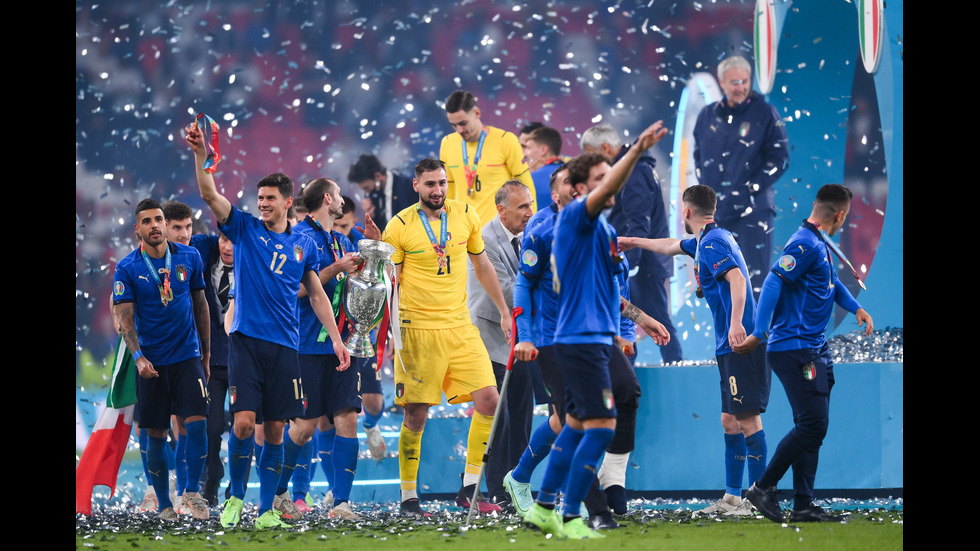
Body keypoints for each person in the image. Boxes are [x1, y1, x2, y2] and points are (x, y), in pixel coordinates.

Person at [185, 123, 351, 530]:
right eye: (259, 198)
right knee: (243, 423)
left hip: (285, 347)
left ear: (288, 201)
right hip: (246, 343)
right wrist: (200, 156)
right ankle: (235, 499)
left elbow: (315, 293)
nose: (262, 204)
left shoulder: (304, 245)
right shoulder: (243, 228)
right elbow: (209, 194)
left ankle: (267, 511)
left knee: (276, 430)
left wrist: (335, 340)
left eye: (270, 199)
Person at [523, 122, 670, 540]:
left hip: (596, 338)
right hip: (574, 340)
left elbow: (607, 288)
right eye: (601, 179)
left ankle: (547, 508)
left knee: (575, 424)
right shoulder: (576, 218)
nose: (610, 186)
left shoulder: (603, 230)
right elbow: (528, 283)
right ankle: (567, 511)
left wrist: (634, 322)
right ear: (581, 187)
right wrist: (637, 149)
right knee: (599, 426)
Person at [619, 184, 770, 517]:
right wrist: (633, 242)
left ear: (686, 212)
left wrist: (734, 323)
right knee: (730, 421)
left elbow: (737, 280)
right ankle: (733, 499)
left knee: (748, 420)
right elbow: (672, 245)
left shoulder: (713, 242)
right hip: (727, 345)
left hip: (739, 344)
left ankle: (760, 500)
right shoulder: (708, 238)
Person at [382, 157, 512, 517]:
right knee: (416, 415)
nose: (437, 191)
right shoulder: (399, 226)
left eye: (442, 183)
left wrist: (503, 310)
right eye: (430, 184)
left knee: (489, 400)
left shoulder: (467, 214)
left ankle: (469, 489)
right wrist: (391, 335)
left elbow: (482, 265)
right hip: (418, 330)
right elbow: (390, 284)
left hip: (460, 326)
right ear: (416, 186)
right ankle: (409, 498)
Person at [737, 184, 873, 523]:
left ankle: (803, 505)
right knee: (813, 425)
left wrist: (855, 308)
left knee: (811, 426)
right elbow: (773, 280)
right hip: (795, 349)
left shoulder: (819, 242)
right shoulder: (805, 242)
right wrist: (758, 331)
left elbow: (830, 283)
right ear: (840, 215)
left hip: (814, 347)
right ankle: (763, 488)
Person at [275, 177, 380, 521]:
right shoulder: (300, 239)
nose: (341, 202)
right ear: (325, 199)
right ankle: (277, 492)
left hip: (344, 344)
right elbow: (295, 292)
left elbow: (353, 284)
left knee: (347, 418)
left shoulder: (340, 238)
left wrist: (373, 254)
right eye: (336, 196)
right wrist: (336, 267)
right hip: (307, 346)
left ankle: (341, 504)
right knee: (304, 428)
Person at [112, 198, 211, 521]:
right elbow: (126, 320)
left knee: (198, 423)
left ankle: (192, 493)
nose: (155, 225)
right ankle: (165, 505)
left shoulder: (190, 256)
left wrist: (205, 354)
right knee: (154, 433)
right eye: (147, 221)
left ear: (165, 224)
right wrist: (138, 357)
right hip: (151, 364)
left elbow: (201, 305)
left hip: (187, 357)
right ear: (137, 229)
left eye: (158, 219)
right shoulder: (128, 267)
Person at [580, 123, 682, 364]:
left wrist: (629, 264)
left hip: (642, 263)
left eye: (590, 156)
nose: (588, 163)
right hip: (639, 260)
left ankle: (675, 368)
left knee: (655, 319)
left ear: (605, 148)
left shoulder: (636, 173)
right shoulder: (633, 170)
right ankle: (632, 371)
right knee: (633, 318)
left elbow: (638, 223)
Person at [465, 180, 536, 511]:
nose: (529, 213)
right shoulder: (485, 239)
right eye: (522, 207)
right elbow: (508, 292)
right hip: (489, 337)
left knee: (522, 413)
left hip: (521, 338)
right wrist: (549, 288)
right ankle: (492, 490)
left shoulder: (528, 235)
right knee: (499, 416)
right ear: (501, 210)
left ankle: (517, 483)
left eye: (530, 205)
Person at [693, 55, 790, 295]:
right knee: (719, 284)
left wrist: (751, 189)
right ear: (721, 82)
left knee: (753, 284)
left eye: (745, 81)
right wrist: (705, 194)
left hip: (752, 213)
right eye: (735, 82)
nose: (741, 87)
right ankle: (728, 333)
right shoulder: (706, 115)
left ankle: (758, 333)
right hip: (715, 216)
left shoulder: (766, 113)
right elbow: (698, 155)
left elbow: (781, 158)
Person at [331, 196, 388, 461]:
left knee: (373, 402)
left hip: (361, 334)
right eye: (336, 224)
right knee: (328, 416)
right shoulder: (325, 244)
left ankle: (370, 424)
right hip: (330, 337)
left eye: (343, 226)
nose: (338, 230)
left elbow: (386, 280)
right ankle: (333, 487)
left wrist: (378, 246)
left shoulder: (362, 244)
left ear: (353, 223)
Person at [187, 228, 237, 507]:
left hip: (245, 361)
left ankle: (237, 486)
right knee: (213, 426)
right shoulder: (203, 264)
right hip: (214, 361)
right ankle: (213, 476)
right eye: (223, 240)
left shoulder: (254, 267)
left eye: (234, 241)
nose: (228, 247)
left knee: (244, 426)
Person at [440, 90, 536, 225]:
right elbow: (448, 190)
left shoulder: (506, 140)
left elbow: (527, 187)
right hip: (464, 232)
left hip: (499, 233)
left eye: (463, 123)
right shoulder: (447, 143)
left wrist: (530, 227)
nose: (459, 130)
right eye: (454, 125)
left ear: (477, 113)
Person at [347, 154, 416, 231]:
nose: (366, 193)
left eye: (366, 188)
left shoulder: (407, 186)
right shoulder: (372, 194)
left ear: (378, 176)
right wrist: (371, 218)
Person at [523, 126, 566, 211]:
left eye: (528, 148)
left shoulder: (529, 179)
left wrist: (528, 175)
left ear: (543, 150)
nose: (525, 154)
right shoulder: (576, 173)